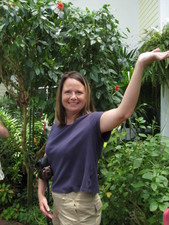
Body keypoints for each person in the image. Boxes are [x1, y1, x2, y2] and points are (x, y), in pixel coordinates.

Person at [38, 48, 169, 225]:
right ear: (60, 95)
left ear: (87, 95)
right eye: (68, 92)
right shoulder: (56, 126)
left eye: (79, 92)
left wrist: (140, 64)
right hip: (59, 203)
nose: (73, 97)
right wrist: (41, 193)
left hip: (80, 207)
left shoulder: (92, 122)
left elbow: (124, 112)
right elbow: (47, 160)